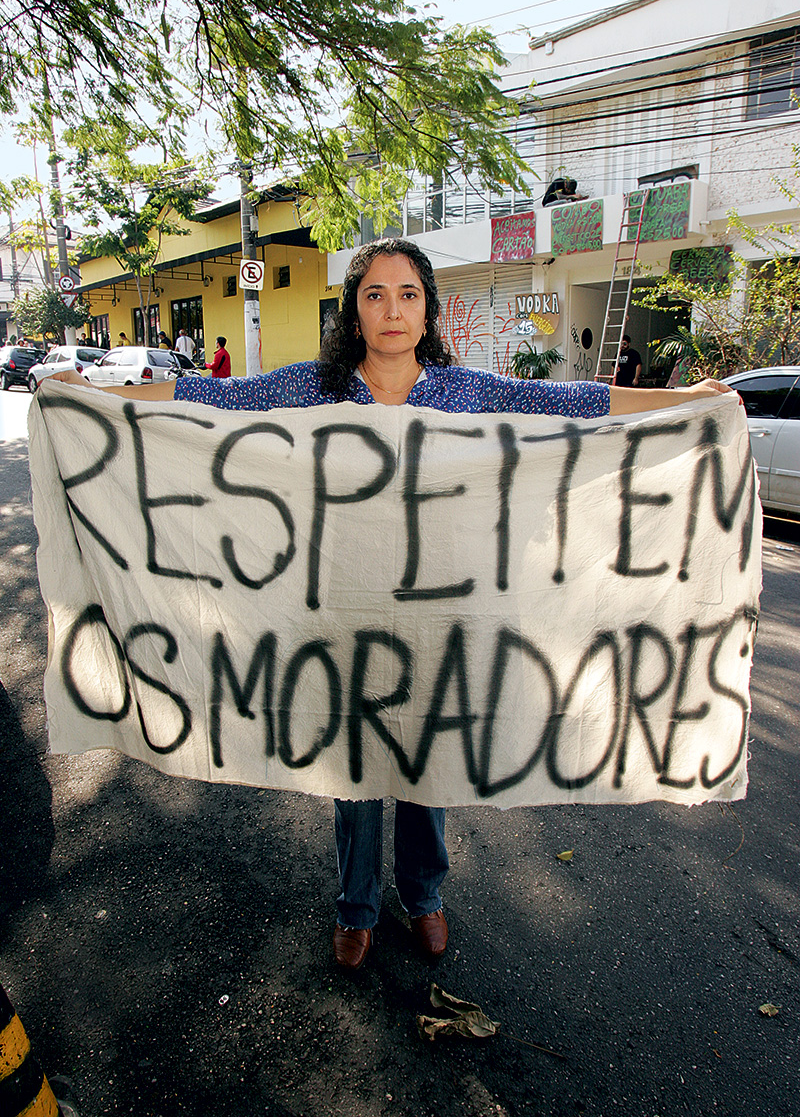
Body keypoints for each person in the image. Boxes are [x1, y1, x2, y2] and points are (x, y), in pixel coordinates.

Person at [47, 237, 733, 971]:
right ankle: (355, 908)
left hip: (440, 614)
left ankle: (425, 896)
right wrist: (94, 398)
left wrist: (681, 401)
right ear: (354, 311)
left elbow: (578, 406)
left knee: (426, 765)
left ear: (429, 308)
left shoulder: (465, 391)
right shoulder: (316, 387)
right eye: (374, 294)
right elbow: (205, 398)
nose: (392, 309)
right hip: (339, 612)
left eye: (407, 293)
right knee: (353, 773)